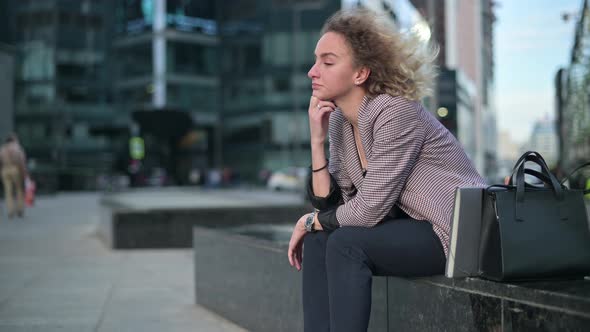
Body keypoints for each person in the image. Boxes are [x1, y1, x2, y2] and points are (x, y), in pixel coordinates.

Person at [287, 9, 487, 332]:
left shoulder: (396, 111)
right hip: (406, 226)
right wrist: (317, 139)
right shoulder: (339, 121)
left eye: (327, 62)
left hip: (451, 231)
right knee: (319, 242)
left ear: (360, 73)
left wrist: (310, 221)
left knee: (345, 243)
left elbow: (367, 210)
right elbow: (333, 208)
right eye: (315, 60)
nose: (313, 71)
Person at [0, 134, 28, 218]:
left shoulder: (2, 149)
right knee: (19, 190)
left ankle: (10, 211)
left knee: (8, 191)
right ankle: (20, 209)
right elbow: (22, 161)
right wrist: (24, 172)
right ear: (13, 140)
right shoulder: (17, 148)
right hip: (15, 169)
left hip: (5, 170)